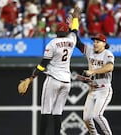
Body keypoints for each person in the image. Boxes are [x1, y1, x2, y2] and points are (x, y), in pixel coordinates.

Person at [22, 7, 81, 135]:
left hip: (53, 79)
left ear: (55, 32)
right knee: (58, 111)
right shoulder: (71, 39)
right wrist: (75, 18)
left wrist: (32, 77)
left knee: (45, 110)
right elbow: (75, 30)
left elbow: (43, 64)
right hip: (66, 81)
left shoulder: (52, 43)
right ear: (66, 32)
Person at [70, 11, 114, 134]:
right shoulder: (90, 51)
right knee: (86, 118)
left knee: (97, 115)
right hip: (93, 89)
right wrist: (74, 24)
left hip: (104, 89)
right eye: (94, 41)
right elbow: (78, 43)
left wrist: (92, 72)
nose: (95, 43)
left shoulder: (107, 54)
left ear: (104, 44)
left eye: (98, 41)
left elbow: (110, 68)